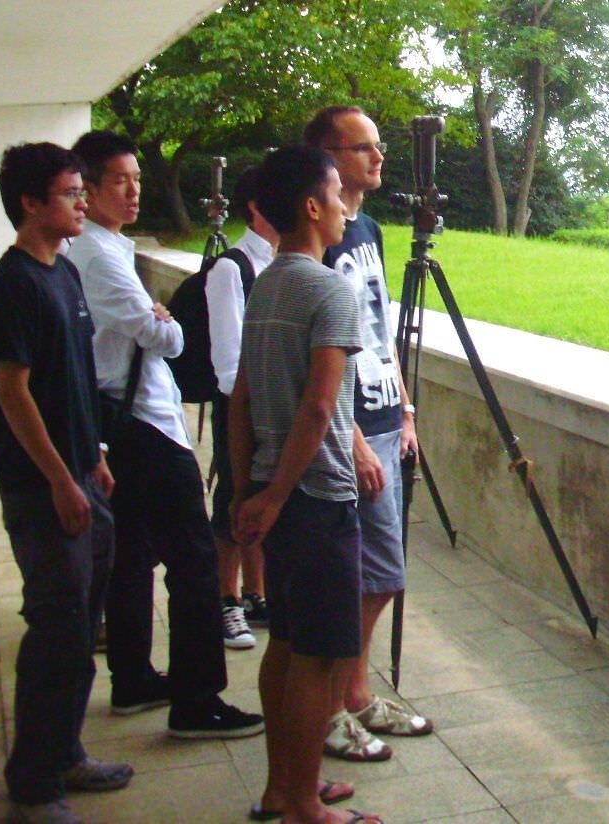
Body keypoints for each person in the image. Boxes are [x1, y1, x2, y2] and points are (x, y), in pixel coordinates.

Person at [67, 130, 263, 739]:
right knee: (194, 559)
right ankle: (197, 699)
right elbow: (167, 340)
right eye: (119, 181)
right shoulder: (97, 255)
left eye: (137, 180)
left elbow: (153, 325)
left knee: (132, 554)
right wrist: (166, 323)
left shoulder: (100, 250)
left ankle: (133, 679)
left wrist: (161, 319)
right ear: (90, 189)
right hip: (145, 421)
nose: (132, 192)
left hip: (119, 417)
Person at [0, 142, 133, 824]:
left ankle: (65, 751)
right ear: (31, 204)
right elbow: (14, 393)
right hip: (44, 492)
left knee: (80, 630)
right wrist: (59, 483)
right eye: (71, 194)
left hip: (81, 477)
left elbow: (71, 381)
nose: (82, 202)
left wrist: (94, 457)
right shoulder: (13, 283)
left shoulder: (64, 274)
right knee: (56, 630)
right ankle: (36, 782)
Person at [230, 144, 381, 824]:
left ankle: (283, 788)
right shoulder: (329, 288)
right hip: (316, 497)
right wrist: (282, 495)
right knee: (318, 657)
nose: (349, 202)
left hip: (274, 490)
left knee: (286, 647)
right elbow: (319, 409)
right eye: (336, 191)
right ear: (313, 207)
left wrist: (248, 492)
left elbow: (239, 399)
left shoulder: (266, 281)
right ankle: (301, 806)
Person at [303, 105, 432, 764]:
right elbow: (320, 352)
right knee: (353, 575)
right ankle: (329, 710)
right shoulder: (317, 237)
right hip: (350, 432)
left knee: (383, 573)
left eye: (379, 146)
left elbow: (378, 333)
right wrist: (352, 435)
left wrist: (404, 410)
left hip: (385, 418)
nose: (378, 158)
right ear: (330, 156)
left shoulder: (372, 230)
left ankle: (353, 696)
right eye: (363, 148)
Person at [207, 166, 278, 651]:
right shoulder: (232, 268)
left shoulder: (286, 261)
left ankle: (257, 592)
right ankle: (226, 600)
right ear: (255, 208)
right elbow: (228, 362)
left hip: (273, 410)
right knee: (234, 500)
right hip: (241, 410)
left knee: (264, 499)